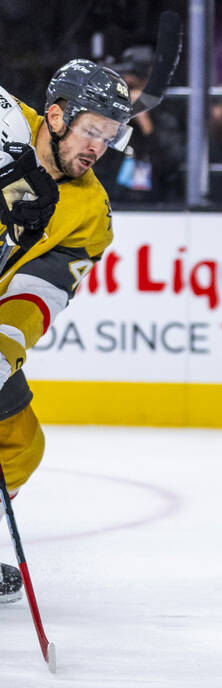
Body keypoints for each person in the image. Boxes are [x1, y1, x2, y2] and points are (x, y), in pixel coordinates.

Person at [0, 61, 131, 600]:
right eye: (91, 129)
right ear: (55, 116)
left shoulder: (89, 214)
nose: (99, 147)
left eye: (110, 135)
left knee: (19, 442)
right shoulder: (4, 124)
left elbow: (39, 293)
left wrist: (2, 350)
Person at [92, 45, 186, 205]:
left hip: (158, 201)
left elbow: (171, 164)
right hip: (113, 198)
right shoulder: (112, 110)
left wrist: (146, 125)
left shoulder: (166, 110)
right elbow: (95, 156)